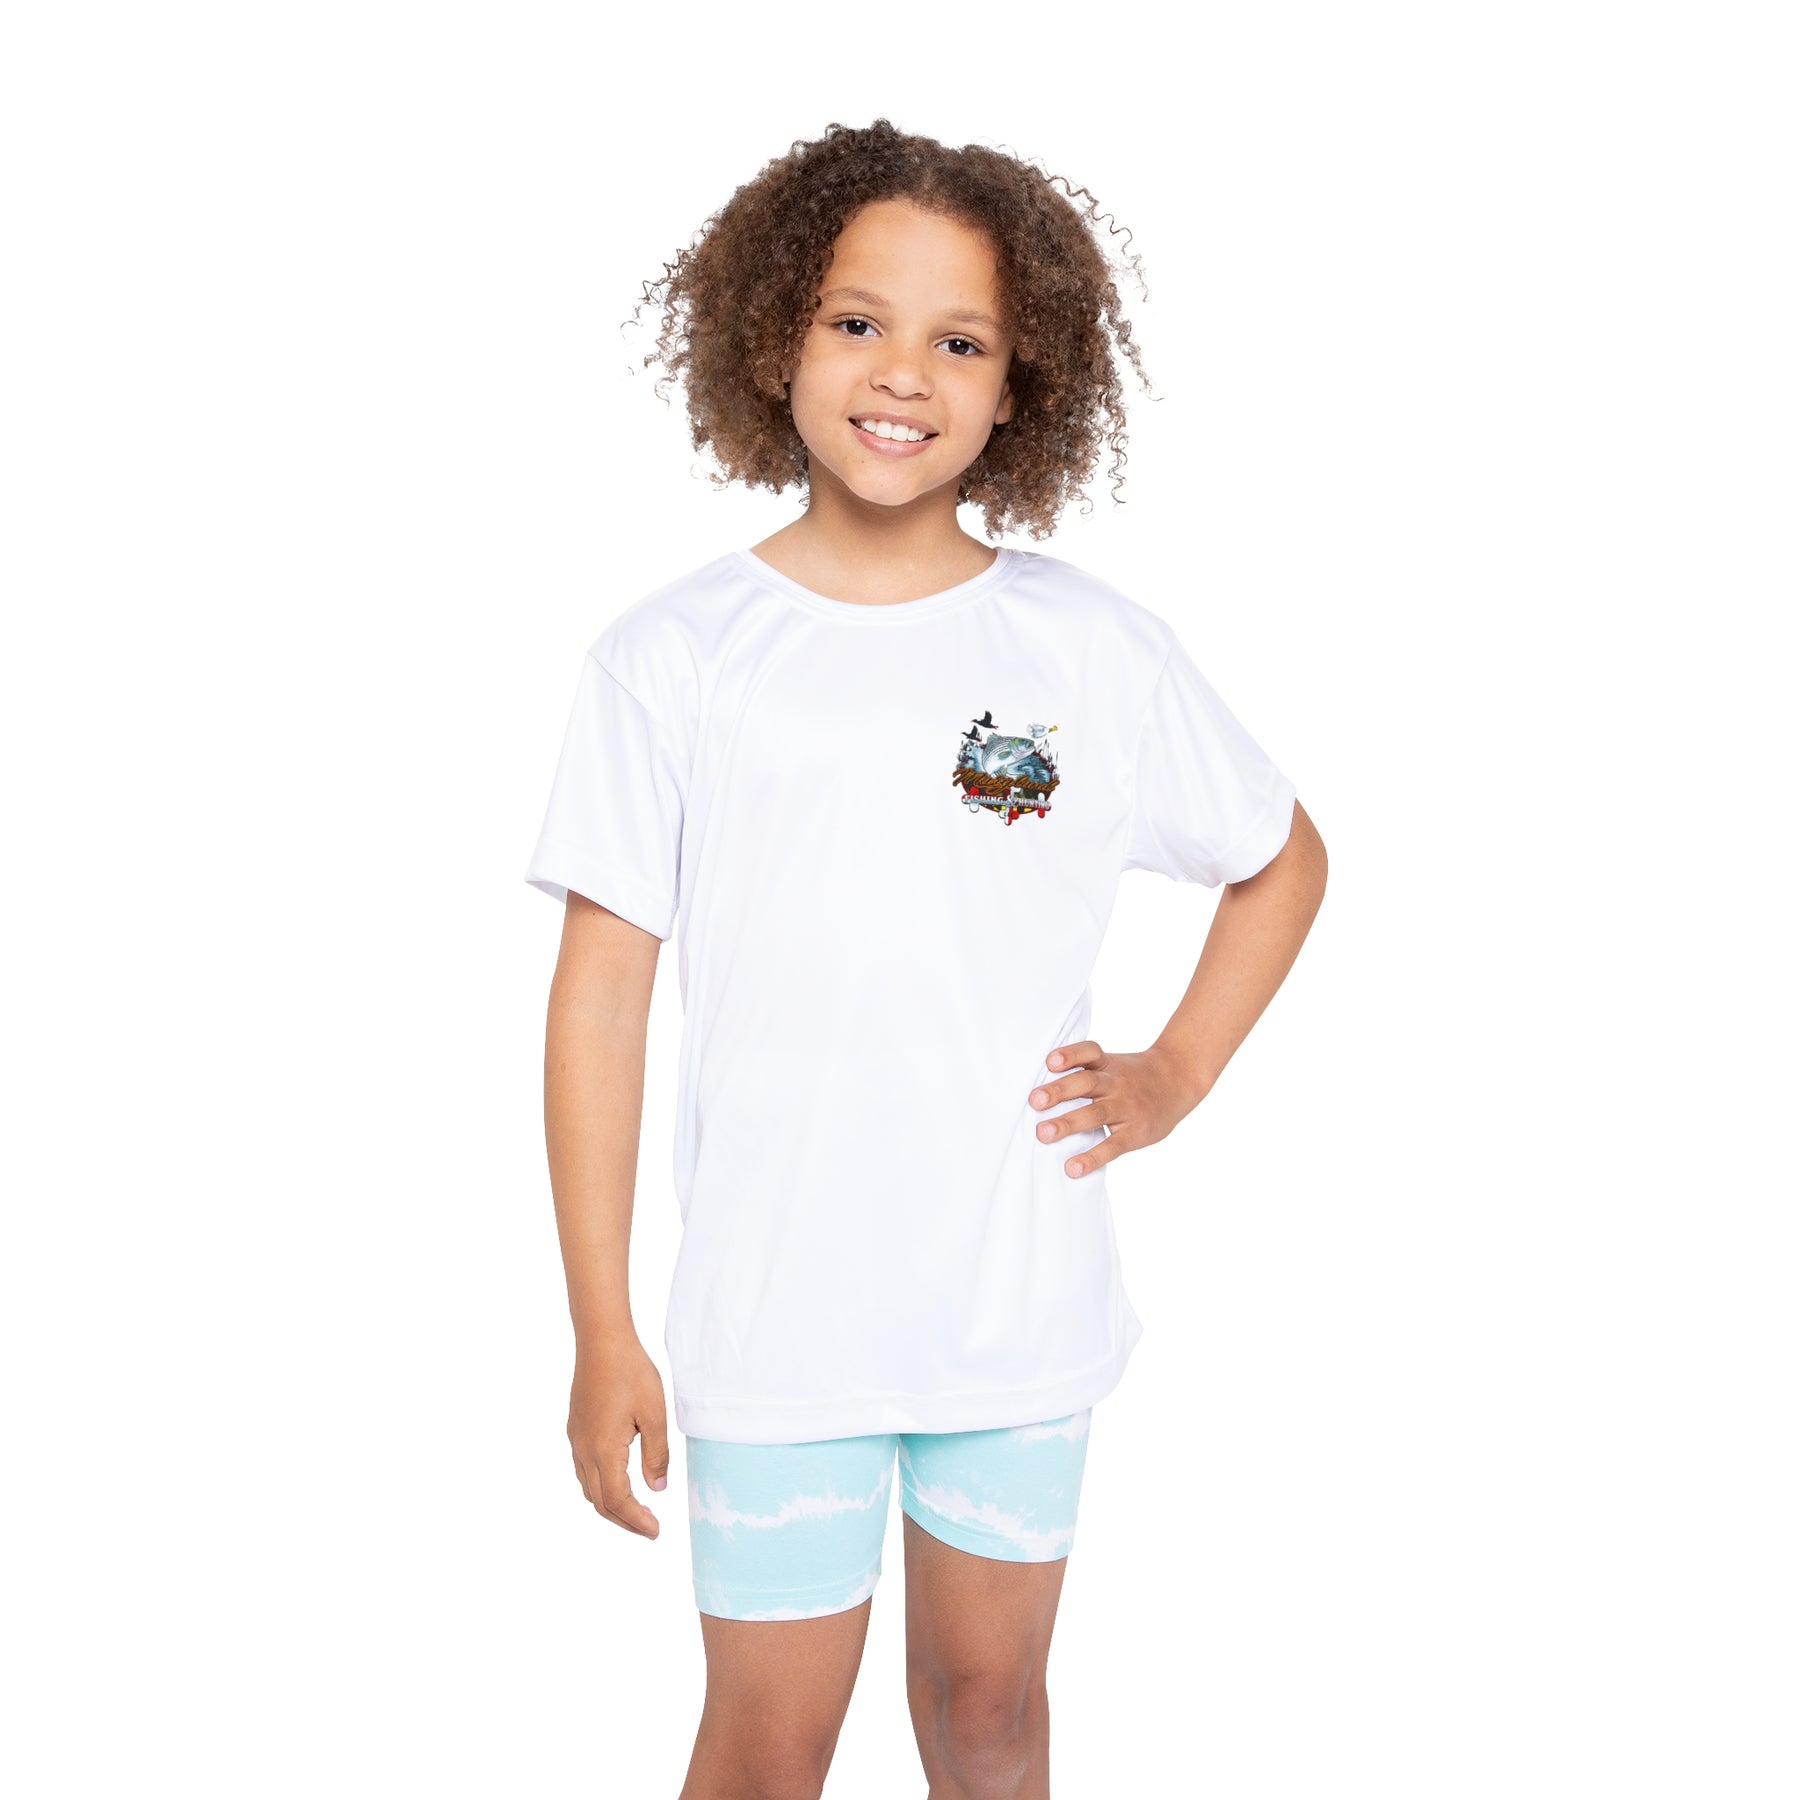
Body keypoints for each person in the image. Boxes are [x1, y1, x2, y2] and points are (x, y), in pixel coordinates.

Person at [526, 118, 1328, 1800]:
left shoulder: (1087, 648)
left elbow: (1280, 859)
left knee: (991, 1715)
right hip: (776, 1319)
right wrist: (604, 1325)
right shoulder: (673, 658)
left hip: (1012, 1307)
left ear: (1023, 384)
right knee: (768, 1749)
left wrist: (1173, 1073)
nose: (905, 373)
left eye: (961, 341)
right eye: (857, 321)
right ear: (774, 340)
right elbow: (600, 998)